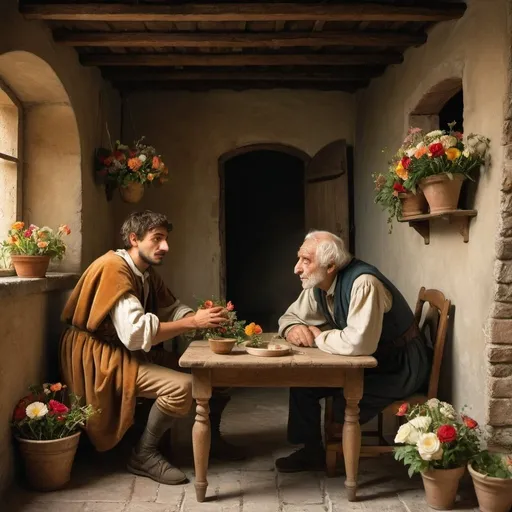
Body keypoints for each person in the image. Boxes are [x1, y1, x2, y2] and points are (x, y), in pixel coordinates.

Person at [60, 210, 241, 486]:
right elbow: (134, 334)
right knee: (181, 387)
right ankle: (143, 454)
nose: (165, 247)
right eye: (157, 239)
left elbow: (172, 307)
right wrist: (192, 323)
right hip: (99, 354)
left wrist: (199, 317)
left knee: (213, 372)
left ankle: (211, 439)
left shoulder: (145, 272)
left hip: (124, 348)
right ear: (134, 239)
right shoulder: (115, 269)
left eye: (166, 239)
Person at [275, 230, 432, 473]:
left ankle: (341, 441)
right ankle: (312, 452)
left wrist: (319, 337)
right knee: (303, 383)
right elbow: (289, 316)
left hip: (400, 365)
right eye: (300, 259)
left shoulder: (364, 283)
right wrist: (293, 327)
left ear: (330, 266)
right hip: (372, 361)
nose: (297, 268)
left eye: (306, 260)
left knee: (343, 401)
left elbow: (360, 343)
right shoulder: (318, 283)